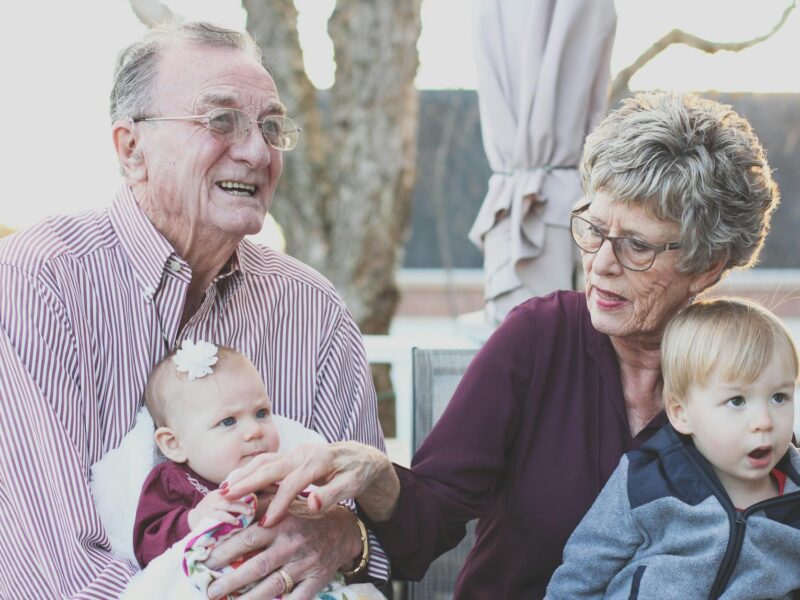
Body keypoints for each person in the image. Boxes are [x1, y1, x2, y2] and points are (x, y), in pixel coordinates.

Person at [219, 92, 782, 598]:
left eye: (637, 246)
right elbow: (427, 525)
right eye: (592, 228)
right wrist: (378, 473)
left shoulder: (749, 374)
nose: (601, 265)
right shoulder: (539, 339)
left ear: (706, 267)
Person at [0, 21, 388, 598]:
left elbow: (377, 537)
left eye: (271, 127)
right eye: (220, 120)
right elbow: (51, 571)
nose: (258, 151)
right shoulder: (41, 278)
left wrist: (345, 535)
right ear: (133, 149)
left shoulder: (312, 307)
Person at [545, 298, 800, 599]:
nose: (764, 421)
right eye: (737, 401)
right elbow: (584, 570)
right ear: (681, 413)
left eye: (779, 397)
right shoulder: (647, 479)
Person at [130, 340, 384, 599]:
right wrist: (195, 518)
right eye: (228, 421)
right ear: (175, 444)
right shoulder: (174, 480)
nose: (255, 430)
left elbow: (318, 536)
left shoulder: (283, 473)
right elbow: (146, 548)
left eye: (262, 412)